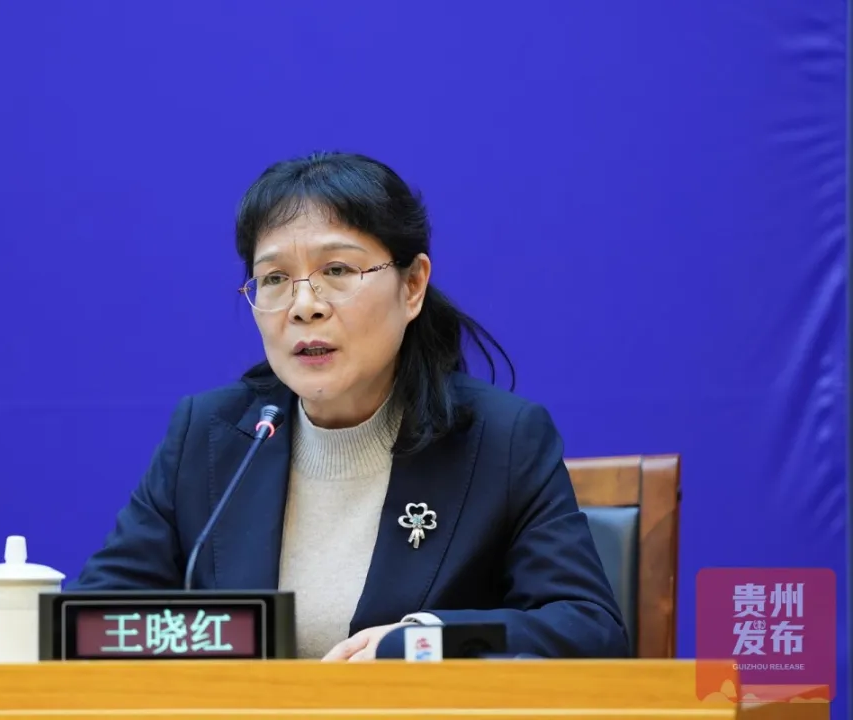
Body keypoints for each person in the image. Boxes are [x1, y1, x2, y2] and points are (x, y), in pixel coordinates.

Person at [67, 151, 630, 662]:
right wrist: (218, 643)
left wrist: (421, 643)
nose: (304, 305)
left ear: (412, 286)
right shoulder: (210, 435)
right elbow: (92, 626)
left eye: (337, 271)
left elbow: (590, 631)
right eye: (274, 278)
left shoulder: (501, 440)